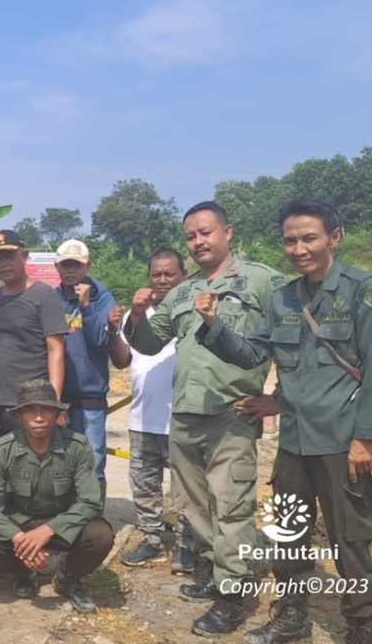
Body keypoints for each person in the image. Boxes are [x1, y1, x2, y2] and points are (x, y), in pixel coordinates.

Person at [195, 198, 372, 644]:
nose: (299, 249)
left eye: (309, 238)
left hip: (341, 442)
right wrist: (213, 325)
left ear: (333, 238)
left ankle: (361, 624)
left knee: (350, 539)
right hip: (294, 443)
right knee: (290, 536)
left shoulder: (364, 289)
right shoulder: (284, 298)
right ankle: (293, 617)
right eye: (290, 240)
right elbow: (252, 354)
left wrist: (366, 437)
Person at [123, 202, 285, 637]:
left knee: (231, 507)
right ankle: (218, 578)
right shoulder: (180, 292)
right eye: (191, 236)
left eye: (206, 232)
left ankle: (233, 597)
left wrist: (278, 399)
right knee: (194, 508)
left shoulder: (262, 281)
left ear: (227, 232)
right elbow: (148, 344)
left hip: (232, 414)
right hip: (186, 417)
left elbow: (293, 341)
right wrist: (136, 315)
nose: (198, 242)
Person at [0, 379, 114, 613]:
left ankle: (68, 577)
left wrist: (48, 531)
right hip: (20, 523)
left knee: (101, 535)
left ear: (57, 414)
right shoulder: (2, 450)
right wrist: (20, 539)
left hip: (62, 524)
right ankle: (23, 570)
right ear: (19, 416)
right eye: (29, 410)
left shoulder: (77, 447)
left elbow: (90, 501)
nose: (38, 417)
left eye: (46, 410)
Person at [108, 248, 194, 570]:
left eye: (168, 274)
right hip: (143, 418)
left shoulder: (190, 312)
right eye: (156, 274)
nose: (161, 280)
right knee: (145, 486)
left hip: (181, 421)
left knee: (186, 488)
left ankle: (187, 544)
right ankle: (152, 539)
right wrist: (115, 329)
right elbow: (122, 361)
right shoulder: (137, 314)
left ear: (182, 275)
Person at [0, 230, 67, 453]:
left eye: (9, 256)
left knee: (29, 472)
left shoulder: (43, 296)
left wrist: (54, 405)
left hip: (28, 405)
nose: (4, 264)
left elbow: (55, 351)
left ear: (24, 255)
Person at [53, 238, 117, 485]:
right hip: (61, 398)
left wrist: (86, 307)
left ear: (87, 266)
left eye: (77, 265)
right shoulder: (51, 299)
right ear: (57, 267)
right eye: (66, 265)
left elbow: (101, 340)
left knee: (93, 461)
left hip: (91, 398)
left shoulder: (102, 298)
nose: (71, 270)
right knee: (62, 462)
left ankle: (93, 519)